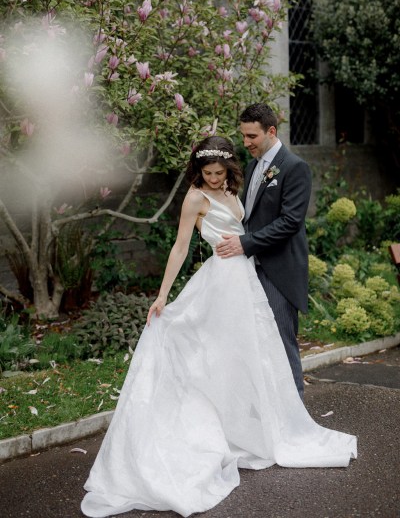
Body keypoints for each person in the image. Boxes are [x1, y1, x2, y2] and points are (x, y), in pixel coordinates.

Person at [81, 136, 357, 518]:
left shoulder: (231, 189)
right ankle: (210, 430)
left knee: (248, 356)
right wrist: (162, 294)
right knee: (211, 355)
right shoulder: (195, 197)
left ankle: (248, 429)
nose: (213, 178)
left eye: (219, 172)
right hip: (220, 281)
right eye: (207, 173)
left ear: (229, 170)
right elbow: (180, 247)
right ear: (199, 171)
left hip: (245, 280)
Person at [216, 103, 311, 399]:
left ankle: (296, 416)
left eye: (252, 136)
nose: (246, 143)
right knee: (255, 343)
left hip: (279, 271)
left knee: (282, 342)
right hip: (251, 268)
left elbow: (290, 222)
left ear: (271, 131)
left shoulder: (296, 167)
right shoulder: (253, 165)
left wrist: (245, 243)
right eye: (243, 136)